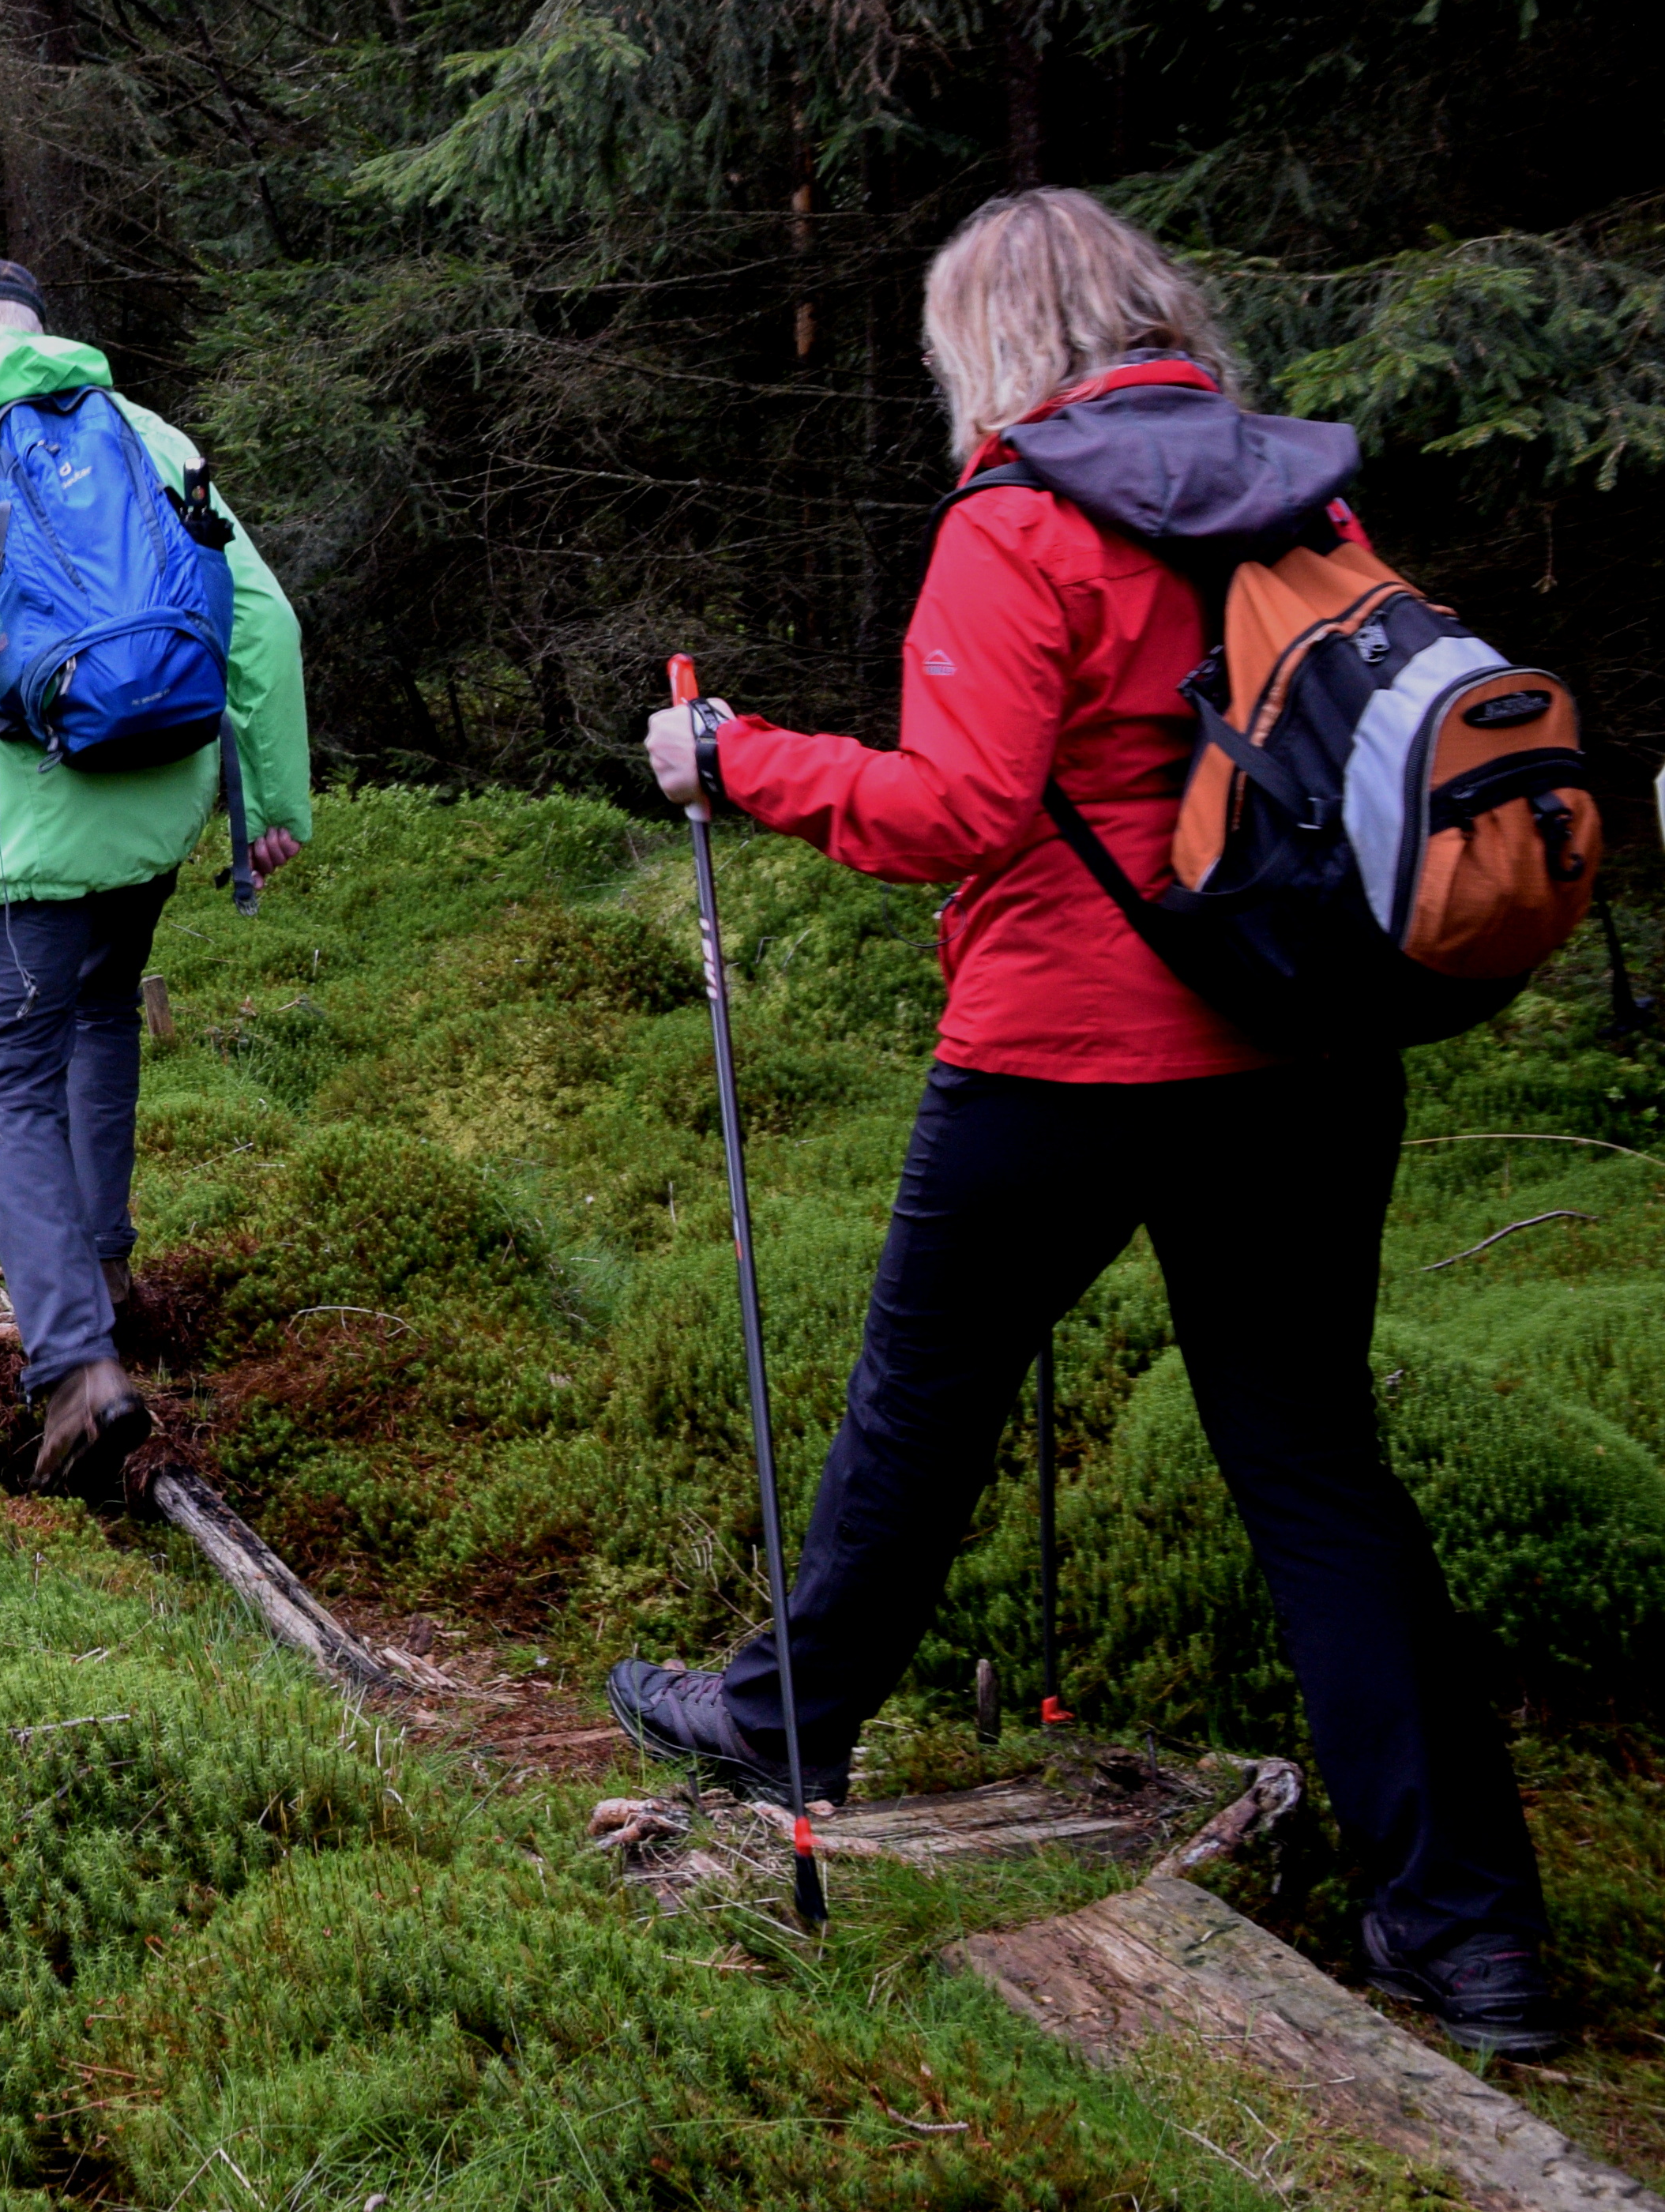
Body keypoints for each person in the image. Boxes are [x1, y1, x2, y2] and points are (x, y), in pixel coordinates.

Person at [603, 186, 1565, 2061]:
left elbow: (959, 811)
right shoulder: (1304, 500)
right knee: (1318, 1472)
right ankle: (1473, 1933)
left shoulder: (1016, 517)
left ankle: (784, 1720)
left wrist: (737, 759)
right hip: (1299, 1049)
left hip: (1063, 1049)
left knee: (919, 1407)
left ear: (989, 344)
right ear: (1149, 313)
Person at [0, 257, 309, 1503]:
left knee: (2, 1074)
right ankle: (100, 1268)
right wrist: (274, 803)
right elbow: (264, 625)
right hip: (155, 813)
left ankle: (75, 1368)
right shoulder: (151, 436)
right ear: (39, 333)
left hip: (19, 841)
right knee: (103, 1013)